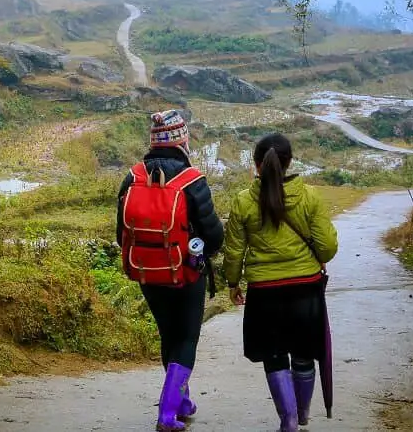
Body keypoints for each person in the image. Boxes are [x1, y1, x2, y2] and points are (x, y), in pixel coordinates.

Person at [222, 133, 338, 432]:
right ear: (289, 163)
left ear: (256, 166)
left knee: (274, 357)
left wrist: (233, 283)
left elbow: (234, 251)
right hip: (306, 288)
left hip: (264, 293)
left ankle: (287, 421)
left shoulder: (243, 201)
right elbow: (326, 248)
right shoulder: (310, 197)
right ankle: (301, 415)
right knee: (303, 355)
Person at [116, 109, 223, 431]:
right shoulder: (192, 181)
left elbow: (120, 233)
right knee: (187, 338)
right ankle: (167, 413)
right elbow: (213, 236)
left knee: (168, 336)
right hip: (186, 273)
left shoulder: (132, 177)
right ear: (182, 142)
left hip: (146, 271)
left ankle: (183, 401)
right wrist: (203, 253)